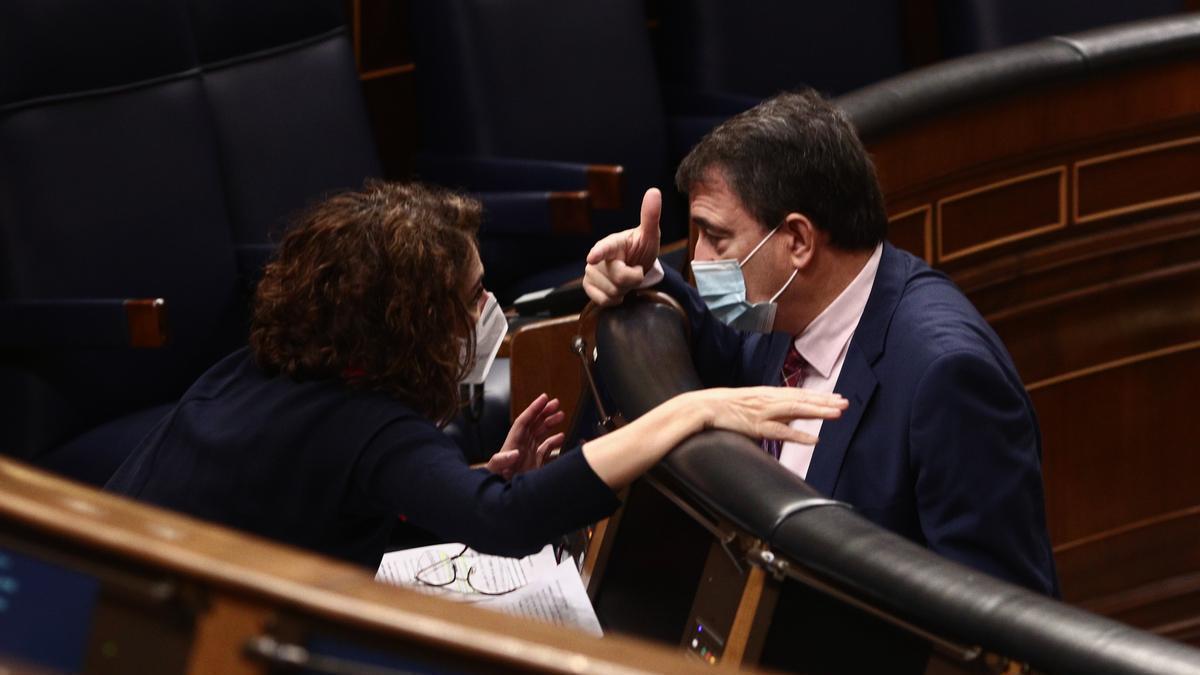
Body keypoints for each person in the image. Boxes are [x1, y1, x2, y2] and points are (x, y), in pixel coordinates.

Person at [105, 181, 846, 570]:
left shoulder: (262, 367)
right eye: (473, 297)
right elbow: (507, 519)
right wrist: (686, 412)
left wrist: (462, 479)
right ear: (413, 321)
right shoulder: (369, 427)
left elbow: (311, 504)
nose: (491, 309)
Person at [585, 90, 1058, 591]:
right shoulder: (782, 308)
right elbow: (720, 350)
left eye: (715, 238)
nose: (698, 262)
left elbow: (998, 616)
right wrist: (644, 278)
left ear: (798, 241)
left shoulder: (946, 378)